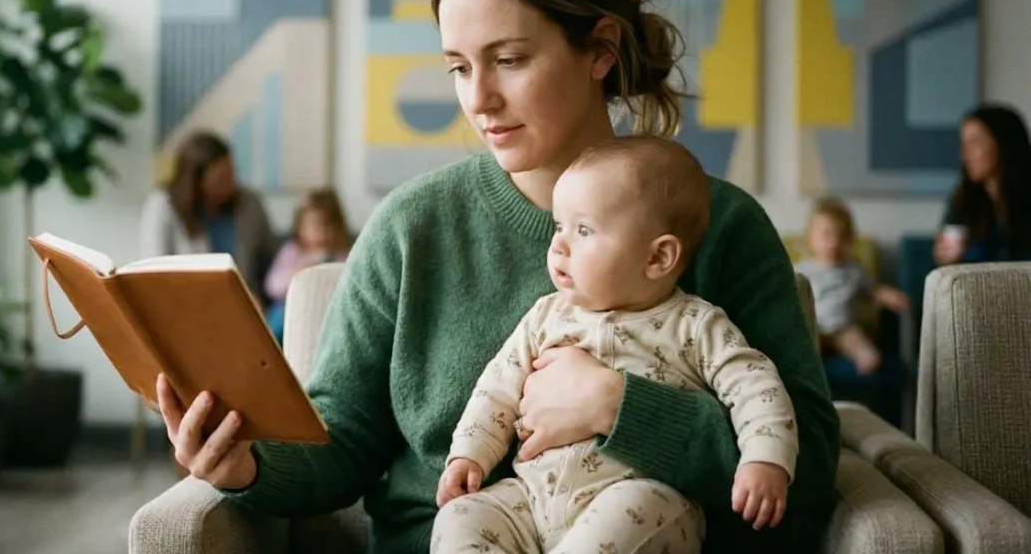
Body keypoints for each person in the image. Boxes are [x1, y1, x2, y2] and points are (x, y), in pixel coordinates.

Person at [155, 0, 839, 553]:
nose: (477, 99)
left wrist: (616, 405)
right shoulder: (410, 227)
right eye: (458, 66)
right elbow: (341, 444)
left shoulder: (720, 229)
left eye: (509, 59)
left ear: (601, 49)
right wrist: (247, 465)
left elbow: (804, 475)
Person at [434, 137, 798, 553]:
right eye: (559, 226)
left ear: (658, 258)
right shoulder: (545, 316)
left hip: (641, 500)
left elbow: (757, 388)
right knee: (462, 517)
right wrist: (468, 455)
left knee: (639, 510)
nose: (558, 245)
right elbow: (496, 389)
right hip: (531, 499)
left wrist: (764, 459)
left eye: (583, 230)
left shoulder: (696, 325)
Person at [138, 131, 278, 299]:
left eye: (232, 174)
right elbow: (153, 272)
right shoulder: (162, 206)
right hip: (185, 303)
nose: (231, 184)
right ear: (196, 181)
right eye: (221, 178)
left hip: (245, 303)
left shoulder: (250, 204)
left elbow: (272, 261)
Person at [795, 197, 910, 376]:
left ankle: (867, 364)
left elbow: (872, 291)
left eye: (841, 236)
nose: (834, 242)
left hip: (844, 328)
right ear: (810, 237)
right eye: (826, 234)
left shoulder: (854, 270)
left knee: (865, 352)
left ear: (850, 239)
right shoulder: (802, 269)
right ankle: (811, 373)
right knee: (806, 346)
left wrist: (888, 295)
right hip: (814, 327)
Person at [934, 104, 1031, 266]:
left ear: (1003, 144)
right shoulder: (962, 202)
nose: (965, 154)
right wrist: (945, 260)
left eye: (975, 142)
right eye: (963, 144)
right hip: (974, 290)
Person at [263, 188, 353, 343]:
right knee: (277, 318)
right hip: (292, 310)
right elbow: (272, 287)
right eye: (314, 226)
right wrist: (298, 270)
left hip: (328, 313)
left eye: (326, 226)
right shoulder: (292, 252)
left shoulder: (344, 256)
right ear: (301, 228)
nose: (321, 233)